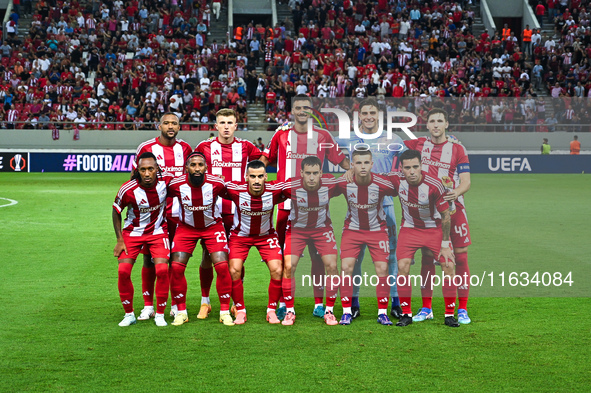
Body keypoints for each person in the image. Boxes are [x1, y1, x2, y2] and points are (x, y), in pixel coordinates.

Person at [261, 94, 349, 318]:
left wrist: (357, 172)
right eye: (298, 108)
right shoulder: (281, 134)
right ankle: (282, 301)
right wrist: (254, 177)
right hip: (285, 205)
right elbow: (266, 159)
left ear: (312, 111)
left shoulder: (323, 136)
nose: (302, 111)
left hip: (316, 206)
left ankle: (319, 303)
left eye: (306, 108)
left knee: (319, 256)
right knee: (284, 259)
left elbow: (342, 161)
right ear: (292, 111)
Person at [339, 97, 407, 320]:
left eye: (372, 113)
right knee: (354, 258)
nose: (368, 117)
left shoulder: (392, 139)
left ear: (379, 115)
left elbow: (408, 163)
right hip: (356, 207)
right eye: (364, 113)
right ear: (359, 115)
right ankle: (354, 303)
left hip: (385, 207)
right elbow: (331, 155)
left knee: (391, 258)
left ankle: (396, 302)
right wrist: (348, 168)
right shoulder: (347, 139)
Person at [404, 108, 472, 324]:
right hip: (427, 211)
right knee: (428, 257)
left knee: (460, 256)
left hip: (453, 208)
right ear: (427, 125)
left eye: (439, 121)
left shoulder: (457, 148)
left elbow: (466, 181)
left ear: (446, 124)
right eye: (432, 121)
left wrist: (456, 192)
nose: (435, 125)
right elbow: (391, 146)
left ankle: (461, 309)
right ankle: (426, 307)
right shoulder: (417, 145)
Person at [194, 109, 262, 319]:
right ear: (215, 126)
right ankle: (205, 302)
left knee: (235, 260)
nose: (225, 126)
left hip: (237, 211)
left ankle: (235, 302)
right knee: (207, 256)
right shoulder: (204, 147)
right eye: (221, 122)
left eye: (229, 122)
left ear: (235, 125)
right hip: (212, 211)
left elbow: (261, 164)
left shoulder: (246, 147)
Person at [388, 149, 458, 328]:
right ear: (401, 169)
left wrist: (445, 245)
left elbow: (445, 216)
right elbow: (372, 179)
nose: (412, 171)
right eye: (407, 167)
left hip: (433, 229)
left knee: (448, 265)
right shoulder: (396, 180)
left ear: (421, 166)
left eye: (415, 167)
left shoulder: (434, 185)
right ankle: (406, 314)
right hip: (409, 229)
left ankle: (449, 315)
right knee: (402, 267)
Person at [133, 113, 193, 320]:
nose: (170, 126)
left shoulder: (185, 149)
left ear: (179, 127)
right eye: (166, 123)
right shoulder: (147, 148)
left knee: (176, 262)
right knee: (149, 261)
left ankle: (177, 304)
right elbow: (135, 179)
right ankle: (148, 305)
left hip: (179, 215)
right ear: (159, 125)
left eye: (174, 123)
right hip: (154, 216)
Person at [166, 152, 235, 326]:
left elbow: (235, 195)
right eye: (193, 165)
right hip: (186, 228)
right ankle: (181, 312)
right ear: (186, 167)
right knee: (176, 266)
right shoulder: (176, 185)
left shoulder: (217, 183)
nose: (197, 169)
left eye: (200, 165)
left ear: (206, 167)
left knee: (221, 265)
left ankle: (224, 311)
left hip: (212, 227)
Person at [223, 160, 290, 324]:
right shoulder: (235, 190)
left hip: (266, 237)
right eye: (252, 176)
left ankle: (271, 311)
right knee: (234, 270)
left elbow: (293, 187)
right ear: (246, 177)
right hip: (240, 237)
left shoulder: (274, 190)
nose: (257, 180)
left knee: (277, 269)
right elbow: (215, 187)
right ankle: (240, 311)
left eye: (260, 176)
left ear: (266, 176)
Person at [112, 152, 174, 327]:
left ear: (157, 169)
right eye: (143, 170)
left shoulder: (166, 182)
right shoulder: (128, 189)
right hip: (132, 233)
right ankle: (129, 314)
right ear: (137, 170)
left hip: (158, 232)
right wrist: (119, 239)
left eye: (150, 169)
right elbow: (116, 211)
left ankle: (160, 314)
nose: (147, 173)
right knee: (123, 271)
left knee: (162, 270)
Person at [336, 150, 397, 326]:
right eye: (358, 163)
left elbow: (402, 189)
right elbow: (323, 189)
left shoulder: (382, 183)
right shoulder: (344, 181)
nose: (362, 166)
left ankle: (382, 313)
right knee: (346, 269)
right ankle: (347, 312)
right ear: (352, 165)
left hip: (377, 231)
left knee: (382, 270)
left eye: (366, 163)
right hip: (352, 231)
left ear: (371, 164)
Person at [283, 156, 341, 326]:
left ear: (321, 173)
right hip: (297, 230)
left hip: (322, 229)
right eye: (307, 173)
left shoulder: (330, 184)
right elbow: (272, 191)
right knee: (288, 266)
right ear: (301, 173)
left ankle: (328, 310)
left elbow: (346, 183)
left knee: (331, 266)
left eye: (315, 173)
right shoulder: (290, 185)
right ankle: (289, 311)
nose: (311, 177)